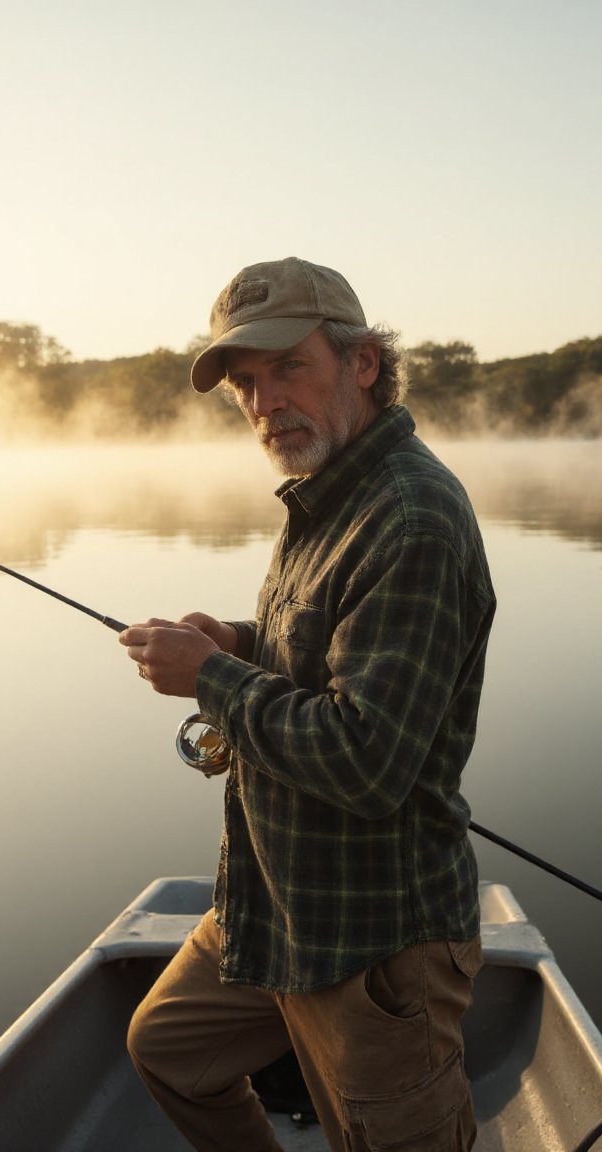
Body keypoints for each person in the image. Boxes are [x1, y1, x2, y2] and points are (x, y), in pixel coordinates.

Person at [119, 257, 496, 1152]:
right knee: (170, 1050)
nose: (266, 402)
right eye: (246, 384)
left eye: (289, 367)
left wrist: (209, 678)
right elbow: (327, 650)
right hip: (277, 901)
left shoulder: (410, 518)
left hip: (374, 940)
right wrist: (239, 643)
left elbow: (366, 759)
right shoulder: (331, 494)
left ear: (363, 362)